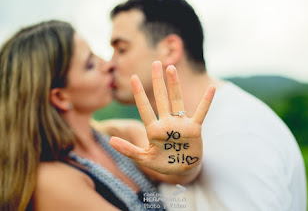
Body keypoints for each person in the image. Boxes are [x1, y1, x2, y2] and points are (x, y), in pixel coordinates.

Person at [102, 0, 307, 210]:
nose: (110, 64)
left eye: (121, 49)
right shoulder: (212, 126)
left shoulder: (239, 135)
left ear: (170, 49)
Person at [0, 20, 216, 211]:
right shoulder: (51, 181)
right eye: (91, 64)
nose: (110, 64)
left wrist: (185, 154)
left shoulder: (121, 135)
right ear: (60, 97)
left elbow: (179, 173)